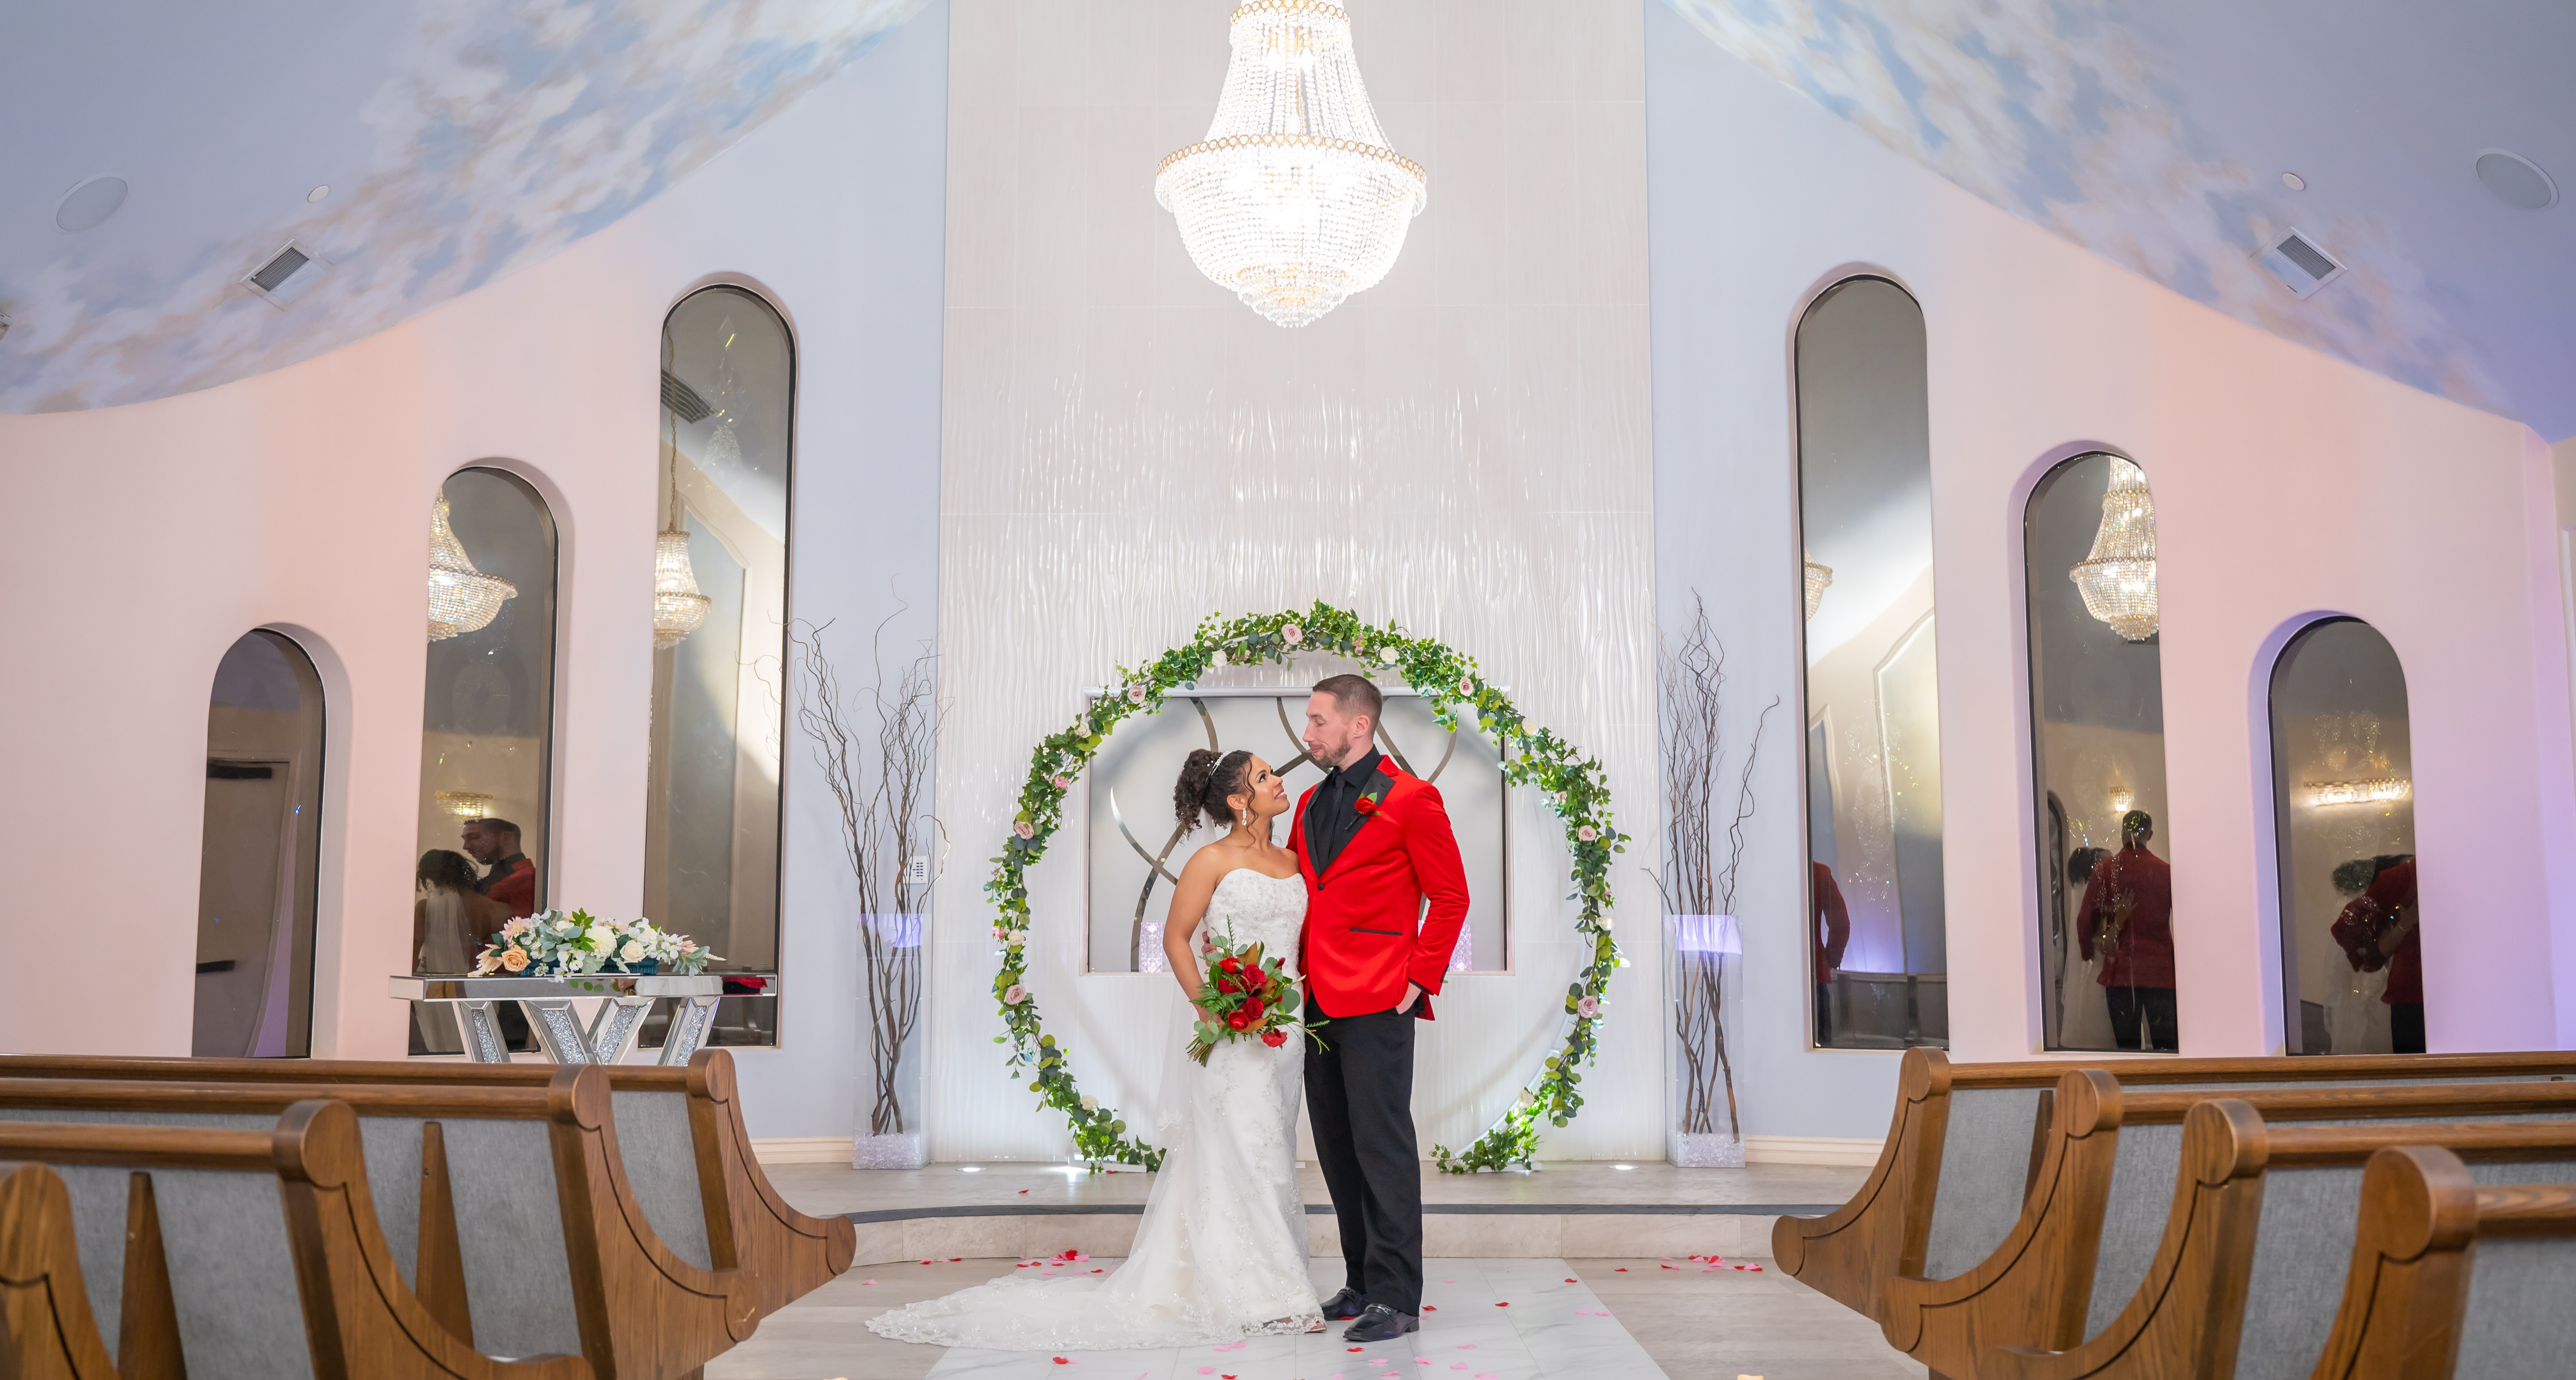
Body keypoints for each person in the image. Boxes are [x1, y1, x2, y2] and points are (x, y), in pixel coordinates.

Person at [868, 749, 1324, 1348]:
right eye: (1263, 776)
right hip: (1231, 1031)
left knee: (1271, 1149)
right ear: (1238, 800)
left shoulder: (1292, 859)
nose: (1277, 781)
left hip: (1284, 1030)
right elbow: (1177, 938)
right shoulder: (1209, 860)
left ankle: (1255, 1273)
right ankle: (1273, 1293)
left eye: (1271, 772)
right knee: (1245, 1151)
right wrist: (1212, 1006)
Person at [1290, 674, 1469, 1343]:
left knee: (1381, 1146)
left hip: (1377, 996)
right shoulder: (1308, 800)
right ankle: (1361, 1279)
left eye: (1316, 720)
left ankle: (1396, 1296)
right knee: (1336, 1148)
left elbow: (1450, 896)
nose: (1306, 732)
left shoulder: (1413, 799)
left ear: (1356, 724)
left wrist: (1419, 977)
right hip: (1315, 1000)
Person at [2077, 811, 2177, 1051]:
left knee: (2128, 1049)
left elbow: (2085, 919)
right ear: (2150, 834)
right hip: (2160, 970)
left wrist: (2087, 951)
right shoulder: (2166, 872)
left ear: (2122, 832)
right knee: (2167, 1048)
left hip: (2121, 970)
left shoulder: (2104, 871)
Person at [2331, 855, 2423, 1053]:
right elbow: (2362, 978)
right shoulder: (2397, 885)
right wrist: (2403, 926)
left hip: (2402, 998)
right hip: (2403, 1000)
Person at [413, 849, 501, 974]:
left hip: (433, 980)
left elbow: (415, 944)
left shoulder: (424, 908)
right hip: (475, 977)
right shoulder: (489, 907)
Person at [462, 817, 537, 918]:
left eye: (474, 837)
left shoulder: (525, 879)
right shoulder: (509, 876)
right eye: (465, 839)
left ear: (507, 837)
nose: (466, 846)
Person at [1812, 861, 1850, 1046]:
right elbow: (1841, 923)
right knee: (1820, 1053)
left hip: (1770, 977)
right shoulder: (1819, 872)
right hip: (1815, 975)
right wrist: (1829, 960)